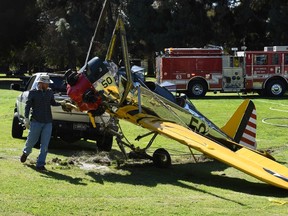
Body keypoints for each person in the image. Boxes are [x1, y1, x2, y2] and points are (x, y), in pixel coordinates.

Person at [20, 74, 69, 171]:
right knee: (31, 141)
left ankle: (40, 164)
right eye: (46, 83)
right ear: (41, 83)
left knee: (45, 144)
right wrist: (26, 118)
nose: (48, 85)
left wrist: (62, 103)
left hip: (48, 122)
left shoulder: (50, 92)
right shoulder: (33, 93)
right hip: (36, 121)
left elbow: (52, 102)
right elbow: (27, 106)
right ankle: (26, 153)